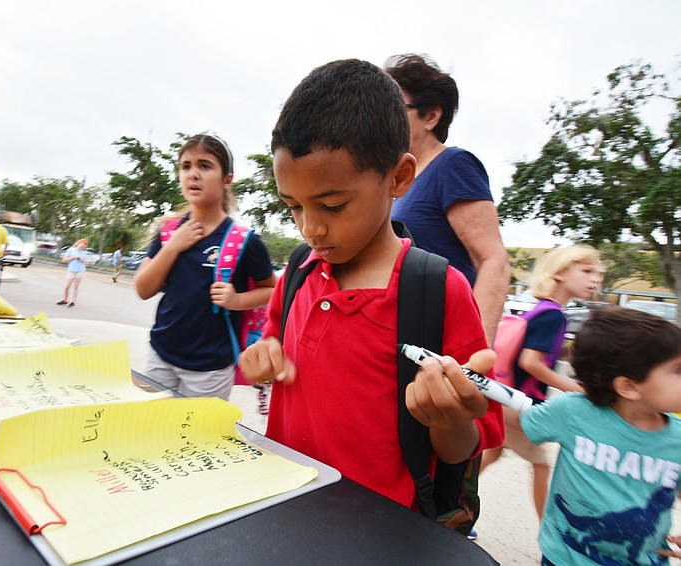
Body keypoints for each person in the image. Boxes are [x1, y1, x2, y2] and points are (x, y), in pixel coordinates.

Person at [239, 59, 504, 510]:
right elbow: (274, 336)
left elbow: (464, 446)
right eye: (295, 207)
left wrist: (448, 419)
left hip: (380, 533)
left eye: (333, 205)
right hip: (284, 505)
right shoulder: (300, 269)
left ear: (399, 177)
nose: (310, 229)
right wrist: (263, 352)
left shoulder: (439, 291)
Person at [514, 307, 681, 564]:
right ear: (629, 386)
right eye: (678, 370)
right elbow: (518, 420)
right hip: (566, 558)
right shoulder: (573, 411)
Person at [135, 133, 276, 401]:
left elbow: (272, 289)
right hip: (160, 355)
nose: (193, 174)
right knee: (151, 429)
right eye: (186, 166)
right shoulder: (168, 232)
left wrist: (236, 300)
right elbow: (143, 289)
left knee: (196, 439)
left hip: (210, 369)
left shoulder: (245, 241)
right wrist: (174, 247)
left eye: (205, 166)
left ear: (227, 179)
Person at [384, 54, 510, 347]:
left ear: (431, 116)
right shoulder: (398, 179)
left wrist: (474, 355)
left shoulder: (453, 164)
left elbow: (493, 260)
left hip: (443, 340)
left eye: (394, 108)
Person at [480, 246, 603, 520]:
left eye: (597, 274)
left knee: (492, 454)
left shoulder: (542, 308)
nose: (595, 279)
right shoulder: (553, 315)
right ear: (559, 273)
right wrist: (578, 389)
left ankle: (452, 505)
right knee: (542, 465)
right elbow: (530, 362)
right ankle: (548, 533)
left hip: (505, 396)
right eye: (586, 271)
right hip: (520, 403)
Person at [58, 238, 89, 307]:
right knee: (67, 286)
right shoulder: (71, 250)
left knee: (76, 287)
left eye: (84, 246)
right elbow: (64, 260)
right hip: (71, 270)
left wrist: (83, 260)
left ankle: (73, 301)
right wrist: (73, 258)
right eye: (81, 245)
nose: (82, 247)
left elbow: (86, 264)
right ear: (78, 243)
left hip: (80, 270)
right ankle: (65, 300)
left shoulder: (84, 253)